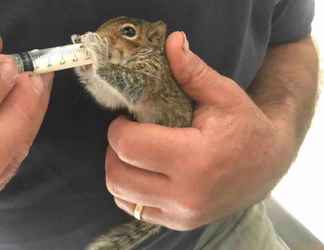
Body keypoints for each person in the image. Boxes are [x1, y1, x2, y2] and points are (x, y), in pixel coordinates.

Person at [0, 0, 318, 249]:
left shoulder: (150, 64)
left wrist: (273, 148)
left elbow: (292, 38)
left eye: (125, 34)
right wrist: (92, 68)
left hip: (224, 226)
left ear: (150, 37)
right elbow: (111, 94)